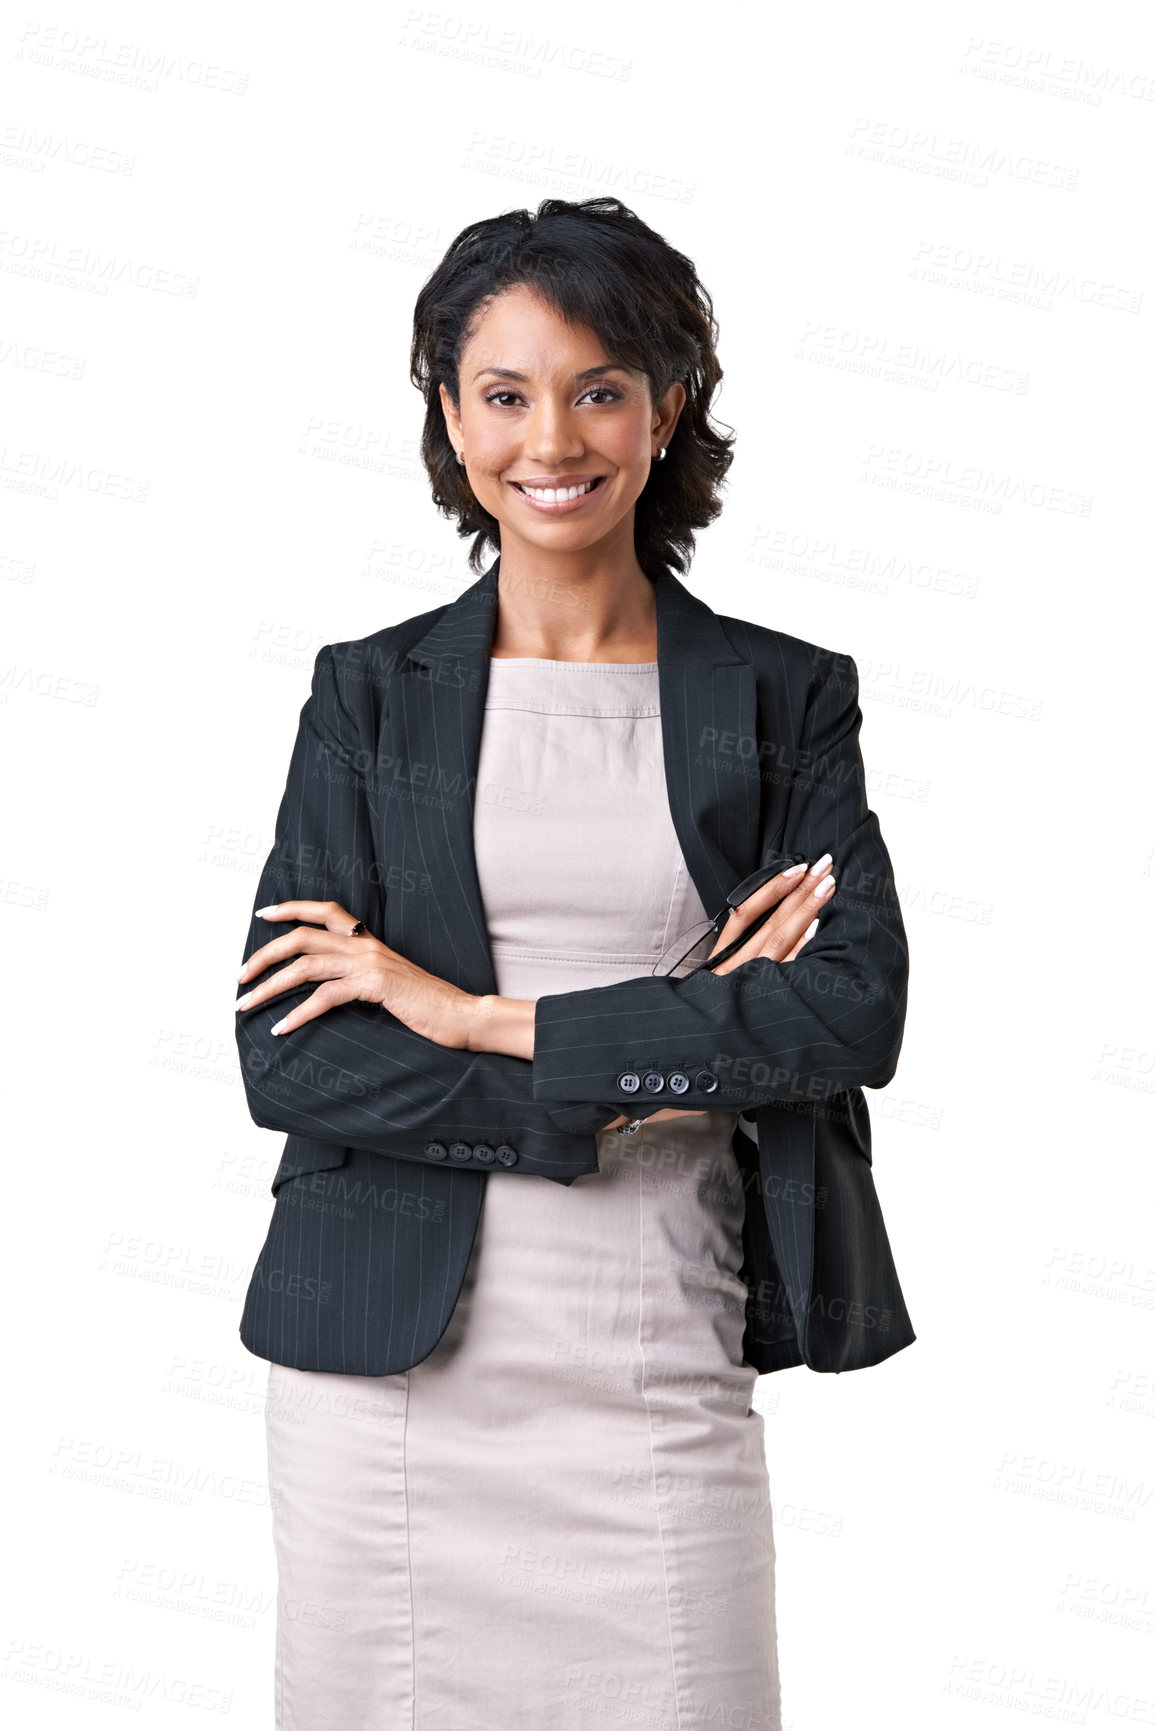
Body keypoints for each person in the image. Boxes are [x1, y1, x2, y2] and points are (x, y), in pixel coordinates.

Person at [233, 196, 912, 1731]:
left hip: (654, 1344)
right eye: (506, 392)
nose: (555, 437)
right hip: (387, 1388)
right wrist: (598, 1093)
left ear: (668, 411)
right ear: (451, 419)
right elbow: (295, 1053)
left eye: (602, 386)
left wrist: (478, 1015)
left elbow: (845, 1011)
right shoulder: (369, 696)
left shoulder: (784, 699)